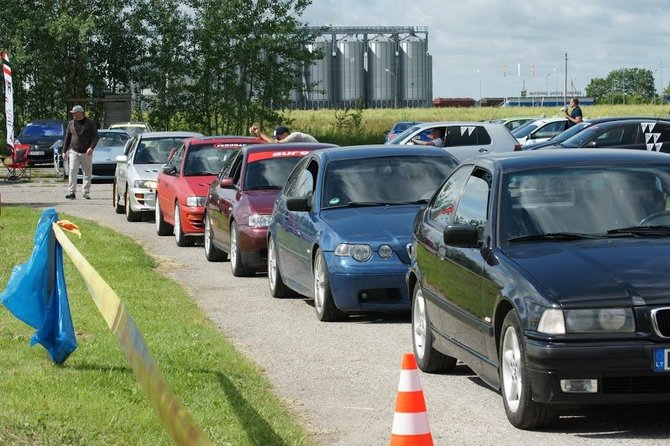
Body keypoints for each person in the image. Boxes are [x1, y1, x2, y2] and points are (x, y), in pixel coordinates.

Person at [63, 105, 99, 199]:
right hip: (74, 151)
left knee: (87, 172)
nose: (73, 114)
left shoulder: (90, 123)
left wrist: (91, 147)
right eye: (72, 113)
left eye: (74, 113)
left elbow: (96, 137)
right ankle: (72, 192)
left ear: (80, 113)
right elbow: (67, 138)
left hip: (86, 152)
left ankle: (86, 192)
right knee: (72, 171)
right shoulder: (71, 123)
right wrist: (64, 151)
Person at [249, 125, 318, 143]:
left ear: (285, 135)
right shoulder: (292, 140)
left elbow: (274, 143)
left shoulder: (295, 135)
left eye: (278, 138)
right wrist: (257, 134)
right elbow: (270, 141)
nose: (276, 139)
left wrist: (260, 133)